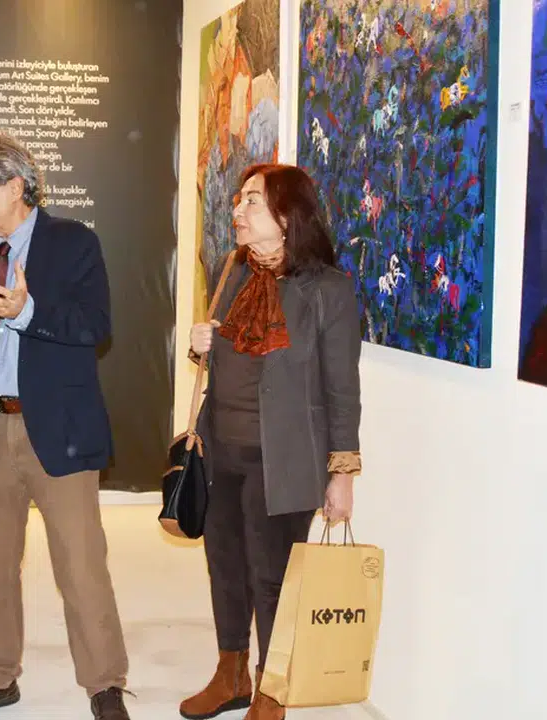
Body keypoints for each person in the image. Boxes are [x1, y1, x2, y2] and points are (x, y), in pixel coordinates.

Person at [0, 132, 132, 720]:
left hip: (59, 429)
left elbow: (95, 326)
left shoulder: (73, 243)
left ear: (15, 186)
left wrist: (27, 311)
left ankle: (104, 683)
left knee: (80, 564)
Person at [180, 163, 362, 720]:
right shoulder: (233, 270)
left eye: (252, 201)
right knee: (225, 568)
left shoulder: (327, 289)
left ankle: (272, 688)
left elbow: (342, 389)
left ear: (286, 216)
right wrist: (199, 344)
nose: (237, 210)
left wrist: (342, 473)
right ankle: (231, 674)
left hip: (282, 459)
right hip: (221, 448)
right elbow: (222, 353)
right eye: (239, 199)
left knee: (273, 579)